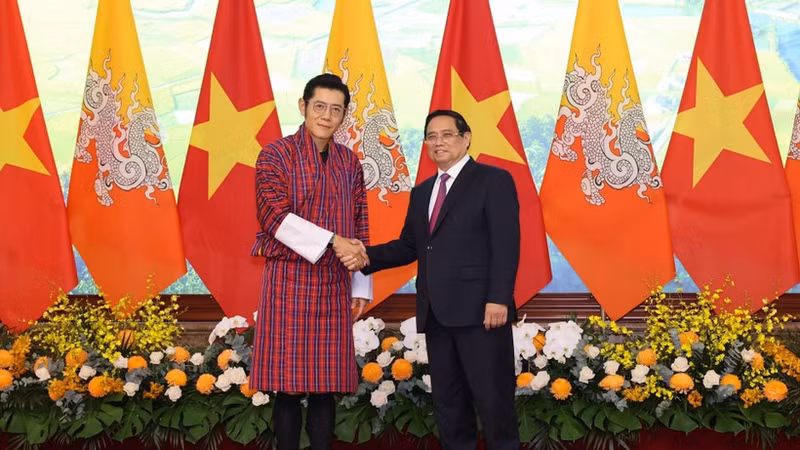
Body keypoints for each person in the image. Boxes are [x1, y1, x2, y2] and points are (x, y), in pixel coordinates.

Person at [344, 109, 521, 450]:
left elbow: (507, 243)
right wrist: (364, 255)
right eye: (431, 136)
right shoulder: (422, 192)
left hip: (481, 314)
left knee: (494, 404)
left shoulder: (493, 180)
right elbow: (410, 245)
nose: (438, 142)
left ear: (466, 138)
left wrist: (498, 298)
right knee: (449, 406)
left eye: (447, 134)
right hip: (436, 314)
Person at [250, 73, 372, 450]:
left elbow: (360, 223)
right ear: (303, 107)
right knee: (286, 387)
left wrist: (361, 284)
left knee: (327, 386)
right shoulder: (274, 154)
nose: (326, 116)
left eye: (336, 110)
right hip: (288, 281)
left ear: (344, 116)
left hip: (335, 283)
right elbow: (273, 217)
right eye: (319, 106)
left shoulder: (349, 162)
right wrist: (333, 240)